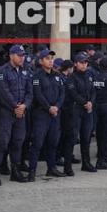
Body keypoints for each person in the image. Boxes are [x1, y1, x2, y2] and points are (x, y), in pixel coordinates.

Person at [0, 45, 33, 184]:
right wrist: (16, 106)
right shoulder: (1, 72)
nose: (22, 58)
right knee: (1, 143)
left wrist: (24, 106)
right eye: (19, 55)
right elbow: (4, 93)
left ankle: (15, 170)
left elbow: (29, 92)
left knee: (18, 142)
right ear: (11, 56)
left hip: (21, 113)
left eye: (23, 55)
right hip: (6, 113)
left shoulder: (25, 71)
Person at [28, 49, 65, 181]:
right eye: (48, 58)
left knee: (53, 142)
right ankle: (31, 171)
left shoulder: (57, 75)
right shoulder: (37, 76)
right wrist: (49, 107)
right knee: (37, 143)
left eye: (52, 58)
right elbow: (38, 95)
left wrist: (56, 107)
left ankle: (52, 168)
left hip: (55, 114)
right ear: (41, 61)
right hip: (41, 114)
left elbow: (62, 93)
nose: (51, 61)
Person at [60, 52, 96, 175]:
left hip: (87, 110)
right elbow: (73, 93)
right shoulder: (71, 78)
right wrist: (85, 102)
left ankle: (86, 163)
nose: (84, 65)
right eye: (81, 62)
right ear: (76, 64)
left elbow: (93, 91)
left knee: (86, 137)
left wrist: (90, 102)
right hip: (75, 110)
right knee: (72, 138)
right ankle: (67, 166)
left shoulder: (89, 76)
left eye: (86, 62)